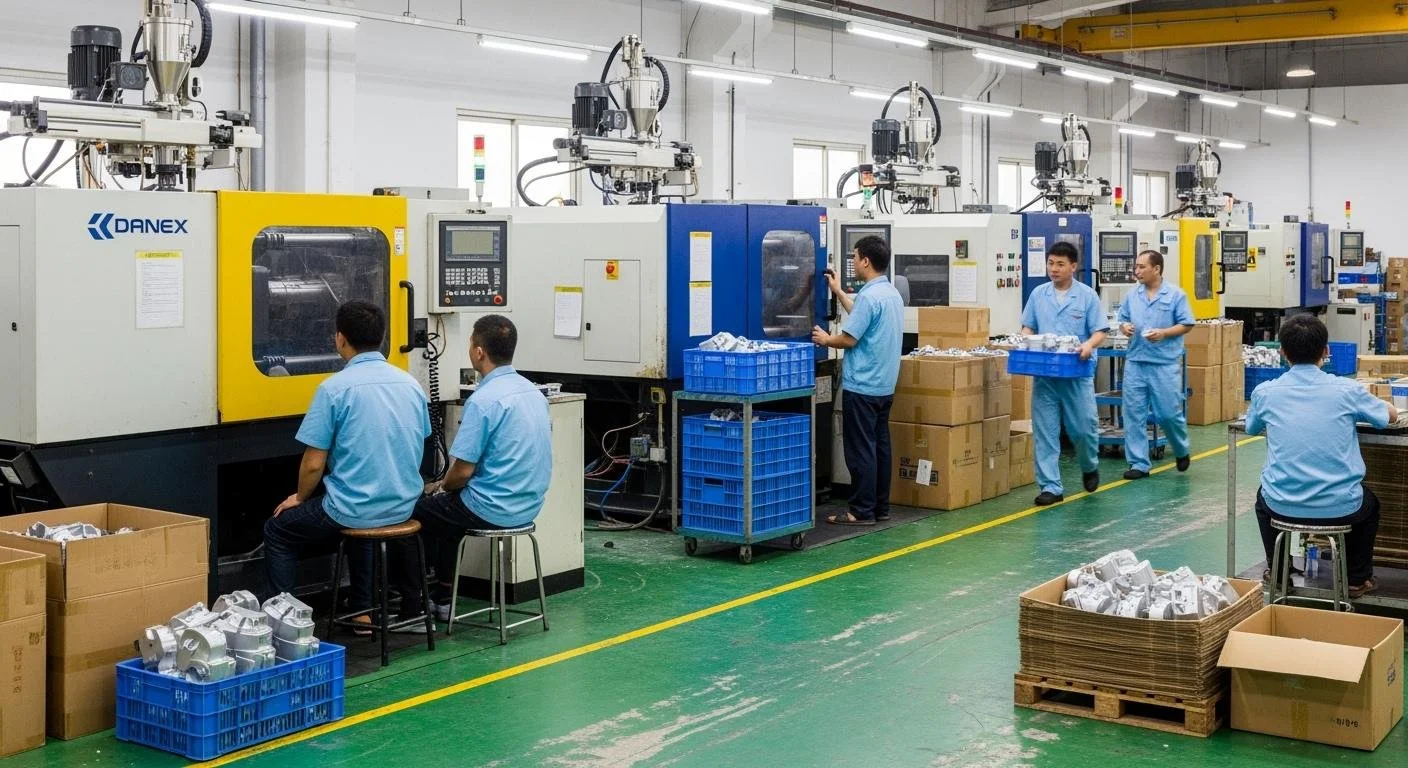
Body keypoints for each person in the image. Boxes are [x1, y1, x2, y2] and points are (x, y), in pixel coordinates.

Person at [264, 300, 431, 629]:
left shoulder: (334, 389)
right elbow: (420, 440)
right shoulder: (411, 384)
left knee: (278, 530)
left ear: (340, 338)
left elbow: (313, 464)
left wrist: (300, 497)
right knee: (361, 526)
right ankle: (361, 611)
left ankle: (285, 624)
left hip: (353, 509)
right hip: (403, 505)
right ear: (383, 338)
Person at [1246, 314, 1399, 598]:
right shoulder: (1347, 390)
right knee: (1371, 505)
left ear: (1283, 352)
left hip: (1282, 505)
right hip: (1341, 506)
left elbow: (1251, 427)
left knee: (1262, 498)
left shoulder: (1265, 393)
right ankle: (1356, 580)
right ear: (1326, 351)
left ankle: (1278, 574)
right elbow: (1387, 417)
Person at [415, 315, 552, 619]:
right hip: (528, 506)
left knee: (413, 512)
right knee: (446, 515)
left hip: (492, 508)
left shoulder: (484, 400)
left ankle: (414, 603)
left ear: (478, 352)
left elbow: (461, 473)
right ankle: (443, 598)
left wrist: (439, 486)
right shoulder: (533, 392)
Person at [812, 235, 904, 526]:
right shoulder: (890, 294)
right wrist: (838, 292)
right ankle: (880, 507)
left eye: (854, 257)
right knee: (880, 447)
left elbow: (850, 338)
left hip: (863, 386)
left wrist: (826, 339)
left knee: (861, 450)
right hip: (884, 386)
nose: (853, 261)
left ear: (865, 261)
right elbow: (863, 318)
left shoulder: (869, 297)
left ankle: (861, 511)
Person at [1020, 241, 1108, 506]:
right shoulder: (1038, 294)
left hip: (1076, 373)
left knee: (1084, 429)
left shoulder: (1087, 296)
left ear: (1073, 266)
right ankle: (1050, 486)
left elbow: (1100, 331)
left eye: (1060, 264)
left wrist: (1088, 346)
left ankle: (1089, 465)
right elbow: (1028, 326)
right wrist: (1025, 339)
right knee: (1045, 431)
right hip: (1045, 375)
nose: (1054, 269)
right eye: (1051, 263)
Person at [1115, 250, 1195, 479]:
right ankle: (1138, 463)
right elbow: (1122, 319)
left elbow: (1187, 323)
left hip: (1164, 363)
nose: (1136, 271)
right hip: (1136, 362)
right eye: (1136, 267)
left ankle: (1180, 448)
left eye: (1142, 267)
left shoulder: (1175, 295)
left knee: (1168, 414)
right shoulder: (1132, 295)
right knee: (1133, 415)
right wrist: (1124, 327)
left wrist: (1164, 333)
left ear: (1156, 269)